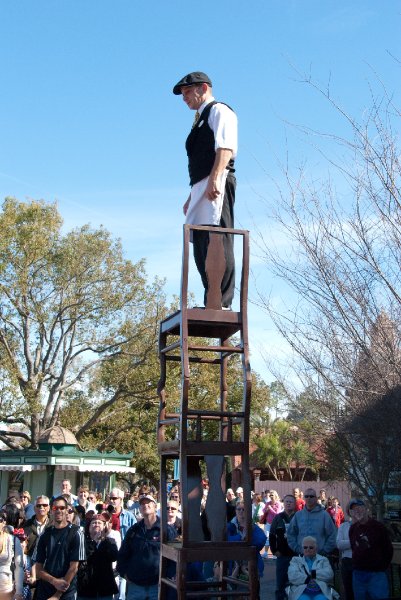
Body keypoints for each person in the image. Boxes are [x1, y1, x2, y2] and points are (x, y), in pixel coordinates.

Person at [173, 71, 238, 310]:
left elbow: (225, 149)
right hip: (202, 184)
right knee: (200, 240)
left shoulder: (219, 110)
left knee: (217, 238)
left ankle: (222, 302)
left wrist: (215, 180)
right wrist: (192, 195)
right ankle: (210, 299)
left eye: (188, 92)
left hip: (218, 180)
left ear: (203, 88)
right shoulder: (199, 119)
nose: (185, 98)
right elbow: (201, 160)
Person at [117, 493, 176, 600]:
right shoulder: (133, 530)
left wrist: (169, 577)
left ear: (155, 507)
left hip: (158, 586)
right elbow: (123, 554)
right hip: (135, 587)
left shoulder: (166, 530)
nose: (145, 505)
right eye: (142, 504)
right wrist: (125, 574)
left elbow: (175, 557)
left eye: (148, 503)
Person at [34, 495, 85, 600]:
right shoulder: (45, 535)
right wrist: (54, 581)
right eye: (55, 508)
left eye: (62, 508)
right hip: (45, 590)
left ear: (67, 511)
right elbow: (38, 568)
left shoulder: (76, 533)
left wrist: (57, 595)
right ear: (51, 511)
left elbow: (74, 568)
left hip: (66, 592)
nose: (58, 511)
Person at [348, 498, 393, 600]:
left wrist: (380, 567)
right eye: (354, 510)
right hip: (358, 574)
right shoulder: (353, 529)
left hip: (376, 575)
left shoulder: (378, 527)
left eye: (359, 508)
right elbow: (353, 547)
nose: (357, 511)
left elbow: (388, 549)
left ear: (366, 509)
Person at [77, 513, 118, 600]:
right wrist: (94, 542)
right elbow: (83, 557)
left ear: (104, 526)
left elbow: (114, 556)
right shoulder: (82, 542)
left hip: (105, 590)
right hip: (86, 589)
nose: (96, 524)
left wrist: (103, 540)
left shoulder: (110, 541)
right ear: (88, 527)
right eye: (94, 523)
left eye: (99, 523)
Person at [287, 488, 337, 557]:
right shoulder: (298, 515)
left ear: (316, 498)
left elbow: (332, 534)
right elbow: (290, 534)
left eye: (311, 496)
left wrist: (325, 550)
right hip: (302, 557)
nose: (309, 498)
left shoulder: (324, 515)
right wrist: (297, 549)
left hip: (320, 557)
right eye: (306, 496)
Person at [287, 536, 339, 600]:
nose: (307, 549)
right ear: (302, 549)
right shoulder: (295, 560)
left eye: (311, 547)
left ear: (316, 549)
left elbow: (329, 574)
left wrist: (313, 573)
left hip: (321, 591)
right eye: (305, 547)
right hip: (301, 591)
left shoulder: (323, 560)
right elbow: (292, 575)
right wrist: (308, 579)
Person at [269, 494, 297, 600]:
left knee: (296, 583)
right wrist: (274, 550)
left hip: (296, 556)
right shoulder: (278, 518)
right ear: (283, 503)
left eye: (291, 501)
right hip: (282, 556)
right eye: (287, 501)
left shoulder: (298, 517)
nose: (289, 503)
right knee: (280, 583)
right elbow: (272, 535)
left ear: (295, 504)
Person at [0, 507, 24, 600]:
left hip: (6, 590)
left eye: (0, 520)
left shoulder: (13, 540)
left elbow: (19, 567)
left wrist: (19, 592)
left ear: (4, 522)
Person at [336, 501, 354, 600]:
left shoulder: (366, 527)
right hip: (347, 561)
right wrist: (354, 541)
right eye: (352, 509)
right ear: (348, 512)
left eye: (358, 508)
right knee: (348, 590)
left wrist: (347, 543)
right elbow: (339, 544)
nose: (355, 511)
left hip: (362, 562)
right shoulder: (343, 526)